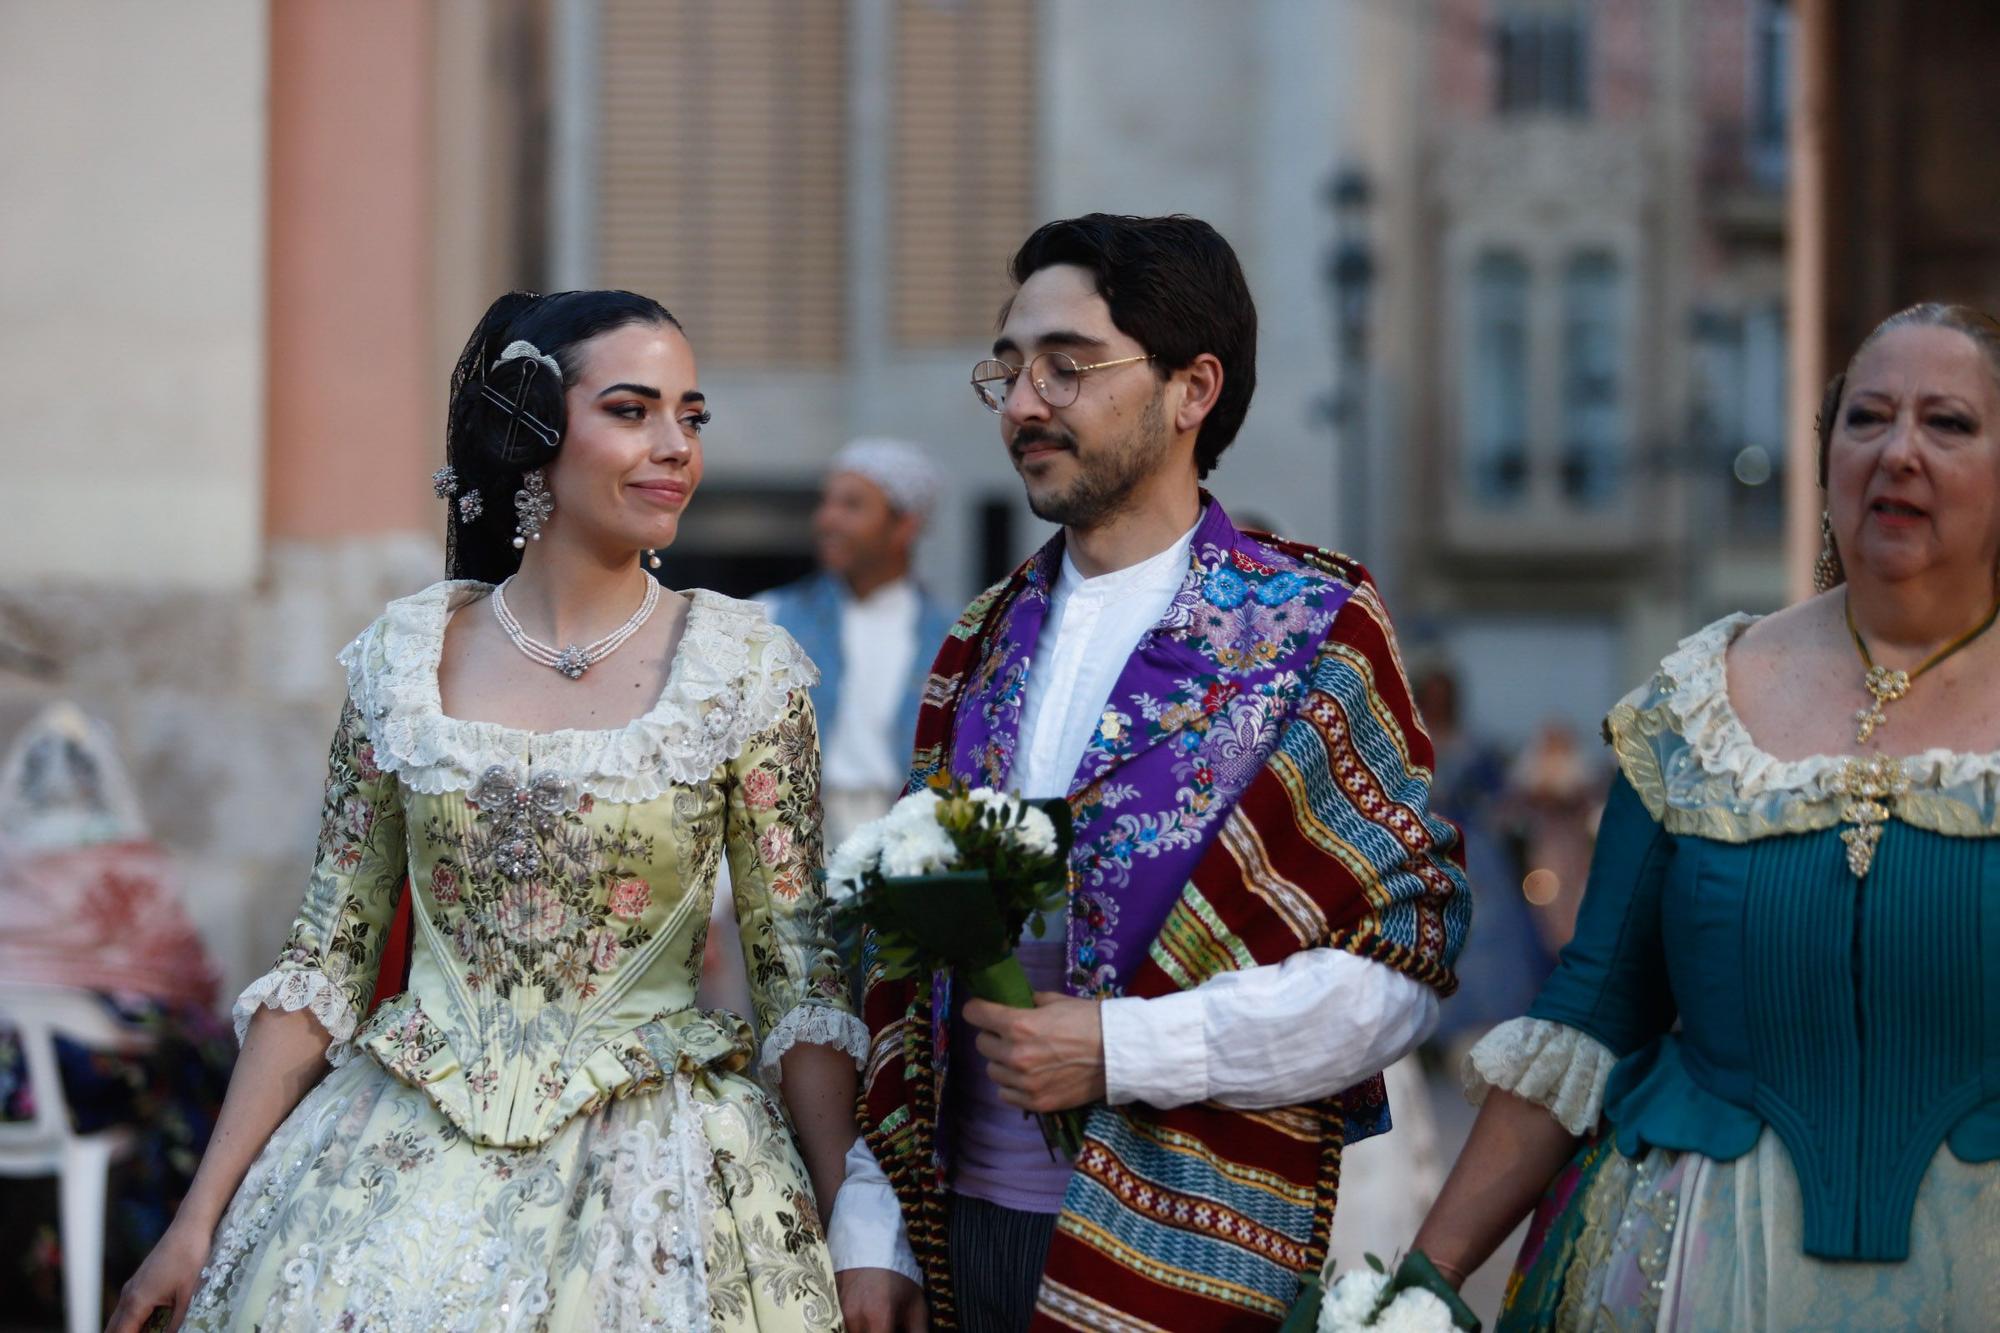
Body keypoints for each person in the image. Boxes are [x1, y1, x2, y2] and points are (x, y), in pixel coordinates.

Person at [108, 290, 870, 1332]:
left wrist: (858, 1236)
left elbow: (799, 984)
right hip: (385, 1169)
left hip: (661, 1190)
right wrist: (196, 1218)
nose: (673, 447)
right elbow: (323, 959)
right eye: (633, 410)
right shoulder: (401, 656)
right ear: (531, 436)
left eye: (690, 417)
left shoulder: (741, 670)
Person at [832, 214, 1472, 1332]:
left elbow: (1399, 962)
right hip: (964, 1244)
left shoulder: (1311, 629)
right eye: (1011, 367)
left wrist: (1123, 1048)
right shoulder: (977, 643)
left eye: (1067, 366)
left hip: (1185, 1252)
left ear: (1192, 389)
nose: (1024, 402)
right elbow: (907, 968)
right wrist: (874, 1219)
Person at [1410, 303, 2000, 1329]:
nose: (1897, 450)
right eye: (1865, 418)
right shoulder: (1698, 699)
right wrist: (1418, 1279)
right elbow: (1592, 1007)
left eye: (1945, 423)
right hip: (1705, 1270)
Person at [761, 439, 958, 846]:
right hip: (789, 842)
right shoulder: (769, 619)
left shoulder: (954, 638)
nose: (826, 519)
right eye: (826, 502)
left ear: (906, 525)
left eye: (851, 505)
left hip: (911, 848)